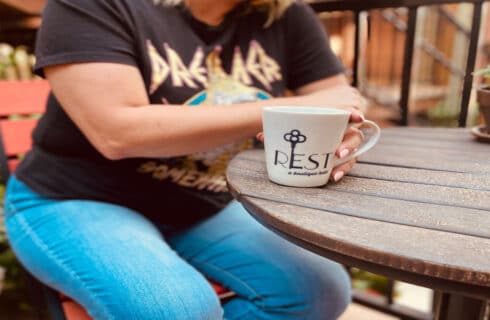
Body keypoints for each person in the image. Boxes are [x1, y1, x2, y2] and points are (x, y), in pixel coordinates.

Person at [4, 0, 367, 319]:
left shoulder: (287, 16)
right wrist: (285, 108)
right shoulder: (93, 4)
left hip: (198, 203)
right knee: (179, 309)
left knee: (322, 290)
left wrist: (344, 129)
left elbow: (340, 96)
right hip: (73, 198)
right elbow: (118, 134)